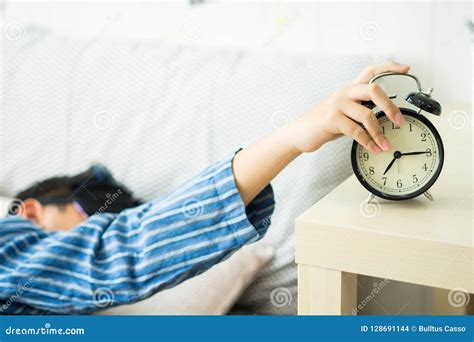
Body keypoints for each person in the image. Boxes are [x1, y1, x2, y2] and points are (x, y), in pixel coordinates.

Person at [0, 61, 409, 314]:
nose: (88, 243)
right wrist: (293, 138)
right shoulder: (12, 242)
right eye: (88, 227)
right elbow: (117, 253)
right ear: (32, 212)